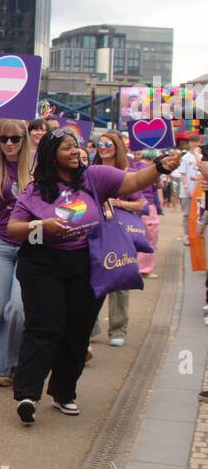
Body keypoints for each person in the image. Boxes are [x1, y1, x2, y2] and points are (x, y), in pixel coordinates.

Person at [7, 129, 180, 423]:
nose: (75, 151)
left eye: (76, 146)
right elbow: (14, 230)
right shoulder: (34, 190)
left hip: (85, 261)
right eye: (67, 148)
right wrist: (42, 227)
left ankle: (64, 393)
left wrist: (159, 167)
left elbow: (133, 182)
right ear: (52, 156)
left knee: (77, 328)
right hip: (41, 262)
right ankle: (28, 394)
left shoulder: (94, 177)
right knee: (45, 326)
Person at [0, 119, 30, 386]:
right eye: (4, 139)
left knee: (18, 308)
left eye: (15, 138)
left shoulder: (35, 168)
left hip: (29, 245)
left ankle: (17, 361)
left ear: (24, 140)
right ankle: (4, 368)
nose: (10, 144)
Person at [89, 130, 145, 348]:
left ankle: (118, 328)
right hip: (93, 231)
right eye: (100, 143)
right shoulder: (89, 171)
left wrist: (119, 203)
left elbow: (141, 204)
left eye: (108, 143)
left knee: (120, 277)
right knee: (91, 275)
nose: (103, 147)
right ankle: (91, 325)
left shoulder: (126, 172)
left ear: (117, 147)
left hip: (118, 233)